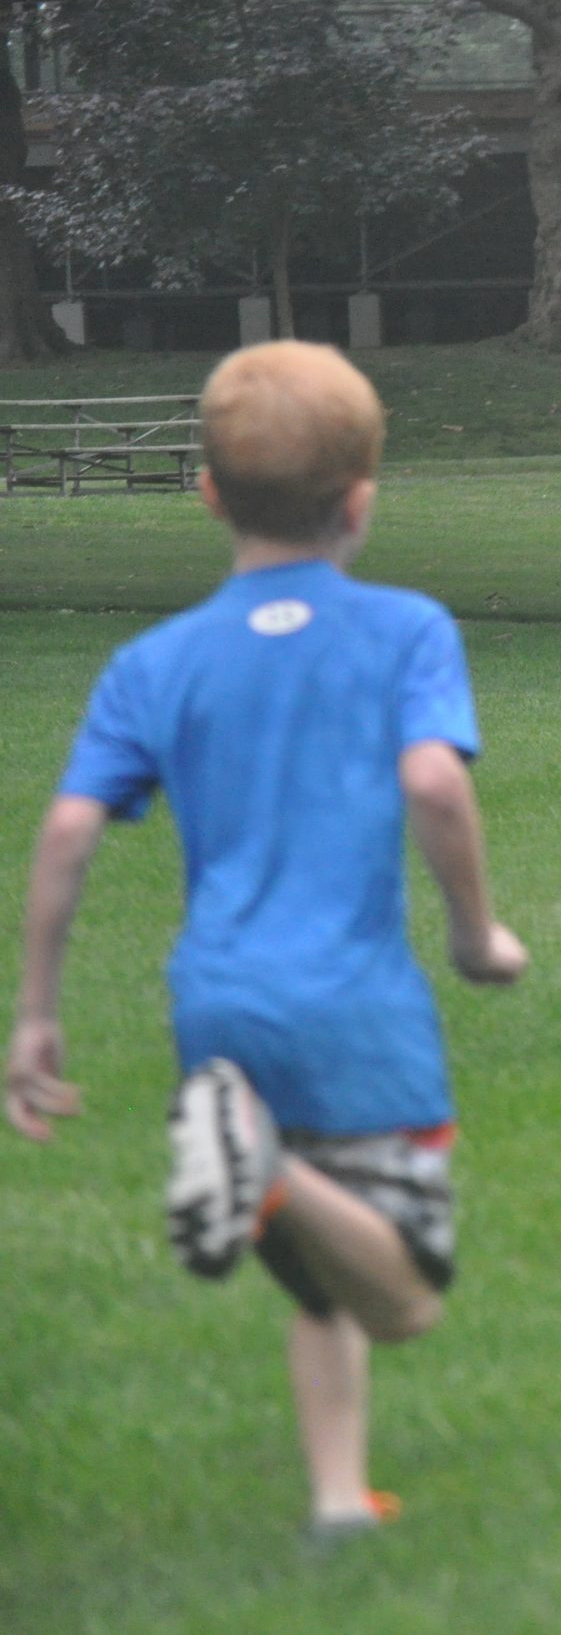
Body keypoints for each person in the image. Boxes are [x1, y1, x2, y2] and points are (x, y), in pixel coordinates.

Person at [4, 341, 527, 1544]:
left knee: (313, 1266)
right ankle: (270, 1169)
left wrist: (37, 1009)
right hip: (354, 1006)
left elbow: (74, 824)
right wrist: (476, 931)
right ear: (361, 501)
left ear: (206, 492)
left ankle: (339, 1501)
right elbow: (436, 784)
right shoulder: (404, 629)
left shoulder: (154, 661)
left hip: (219, 1007)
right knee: (403, 1294)